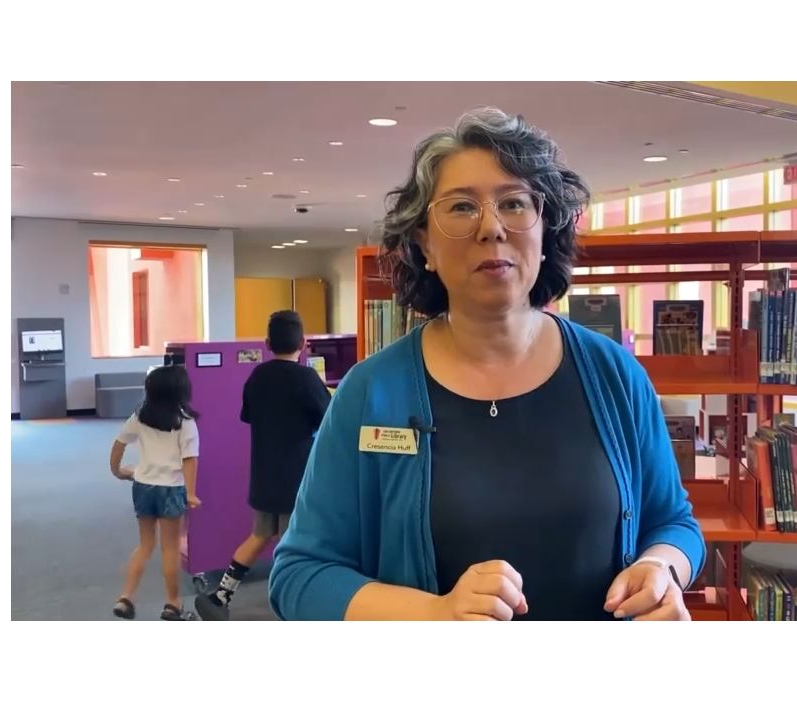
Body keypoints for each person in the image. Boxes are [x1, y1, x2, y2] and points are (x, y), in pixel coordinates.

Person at [268, 108, 704, 621]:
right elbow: (299, 575)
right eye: (461, 207)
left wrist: (661, 567)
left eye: (514, 203)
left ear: (545, 230)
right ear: (424, 244)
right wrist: (433, 614)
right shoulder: (372, 391)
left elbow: (674, 523)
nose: (492, 228)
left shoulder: (614, 374)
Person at [195, 310, 332, 621]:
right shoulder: (306, 378)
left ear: (268, 343)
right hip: (295, 478)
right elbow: (329, 418)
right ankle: (290, 605)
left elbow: (248, 415)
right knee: (290, 544)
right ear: (304, 343)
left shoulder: (257, 376)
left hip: (263, 475)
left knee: (259, 535)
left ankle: (221, 594)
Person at [110, 365, 201, 621]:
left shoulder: (140, 417)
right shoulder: (185, 422)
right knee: (170, 549)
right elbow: (190, 460)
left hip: (143, 486)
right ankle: (173, 604)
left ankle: (126, 597)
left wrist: (117, 470)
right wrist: (191, 492)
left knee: (145, 545)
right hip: (171, 488)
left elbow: (119, 443)